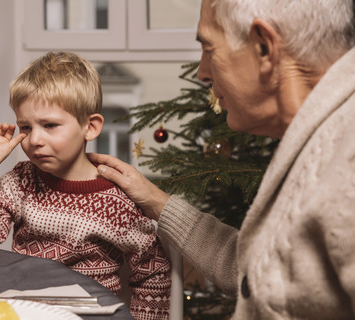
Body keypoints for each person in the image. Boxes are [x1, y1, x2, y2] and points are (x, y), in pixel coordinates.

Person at [89, 0, 355, 319]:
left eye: (209, 49)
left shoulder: (346, 163)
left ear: (263, 47)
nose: (203, 73)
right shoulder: (320, 137)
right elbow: (258, 271)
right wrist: (155, 200)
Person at [0, 51, 171, 320]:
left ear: (90, 127)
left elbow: (152, 271)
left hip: (89, 314)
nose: (35, 140)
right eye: (26, 127)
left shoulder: (117, 199)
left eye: (50, 125)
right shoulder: (22, 181)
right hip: (26, 310)